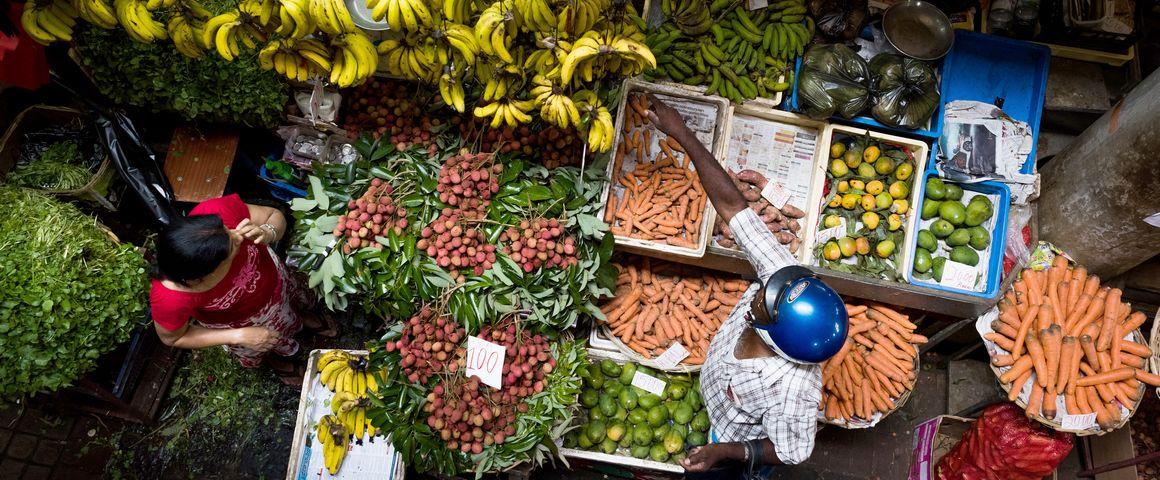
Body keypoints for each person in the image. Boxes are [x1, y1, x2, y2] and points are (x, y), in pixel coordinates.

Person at [644, 95, 849, 477]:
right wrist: (682, 134)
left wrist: (726, 451)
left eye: (762, 302)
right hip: (716, 397)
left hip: (733, 447)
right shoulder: (784, 278)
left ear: (773, 335)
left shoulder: (793, 391)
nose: (760, 289)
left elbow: (793, 451)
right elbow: (734, 208)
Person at [149, 194, 332, 384]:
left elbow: (274, 216)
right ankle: (278, 360)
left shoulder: (216, 213)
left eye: (227, 229)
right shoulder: (170, 298)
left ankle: (303, 317)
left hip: (278, 282)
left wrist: (268, 232)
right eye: (232, 245)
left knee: (295, 303)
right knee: (263, 344)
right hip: (244, 323)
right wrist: (239, 335)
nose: (238, 235)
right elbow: (173, 338)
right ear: (207, 274)